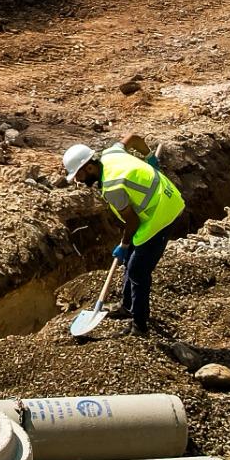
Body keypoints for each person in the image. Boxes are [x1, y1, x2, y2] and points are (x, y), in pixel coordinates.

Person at [63, 140, 185, 332]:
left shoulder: (112, 187)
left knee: (138, 271)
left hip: (163, 213)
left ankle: (139, 324)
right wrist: (149, 156)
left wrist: (124, 244)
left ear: (90, 167)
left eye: (78, 175)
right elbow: (133, 138)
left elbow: (133, 222)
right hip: (158, 201)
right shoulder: (111, 152)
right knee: (130, 261)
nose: (77, 180)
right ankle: (127, 307)